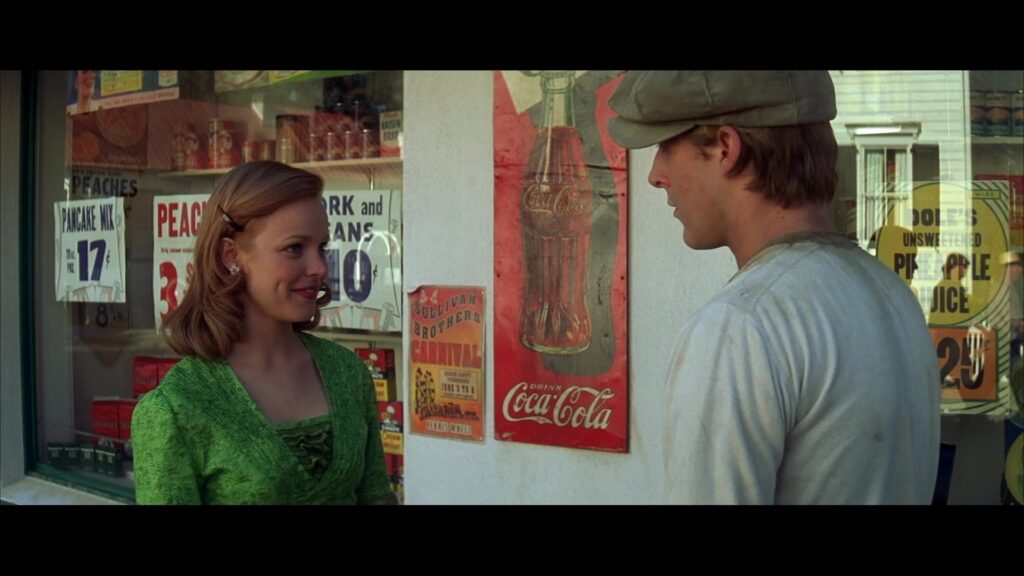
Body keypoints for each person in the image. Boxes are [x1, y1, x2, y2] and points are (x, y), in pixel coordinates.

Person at [607, 71, 939, 504]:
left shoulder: (740, 326)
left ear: (725, 148)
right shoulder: (892, 295)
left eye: (666, 146)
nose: (656, 175)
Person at [131, 161, 395, 504]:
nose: (319, 267)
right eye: (294, 248)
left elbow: (376, 497)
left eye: (322, 247)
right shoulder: (175, 409)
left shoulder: (348, 373)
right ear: (231, 255)